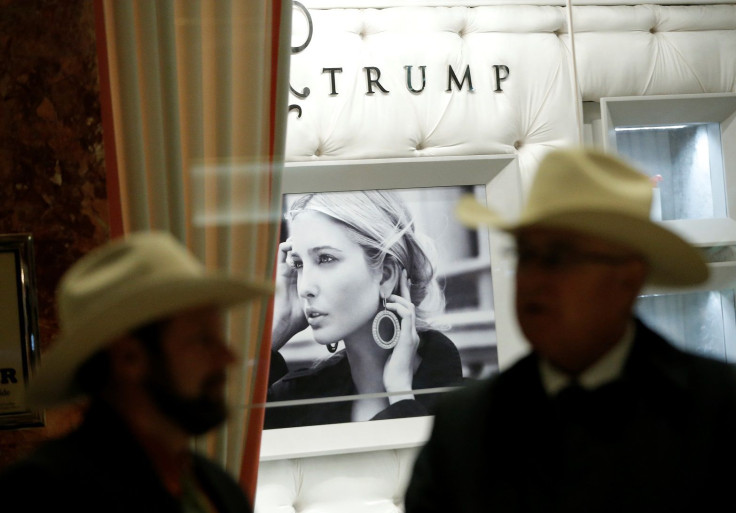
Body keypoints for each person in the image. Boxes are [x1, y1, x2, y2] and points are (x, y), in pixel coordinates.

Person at [404, 148, 736, 512]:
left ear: (627, 277)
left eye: (558, 258)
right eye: (525, 255)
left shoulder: (718, 409)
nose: (533, 280)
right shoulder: (463, 425)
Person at [0, 231, 273, 513]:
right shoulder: (44, 494)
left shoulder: (219, 489)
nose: (228, 357)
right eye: (203, 340)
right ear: (129, 357)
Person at [264, 190, 463, 428]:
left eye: (325, 258)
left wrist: (401, 396)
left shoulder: (468, 406)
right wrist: (272, 335)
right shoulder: (295, 401)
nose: (304, 287)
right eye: (298, 264)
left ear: (385, 276)